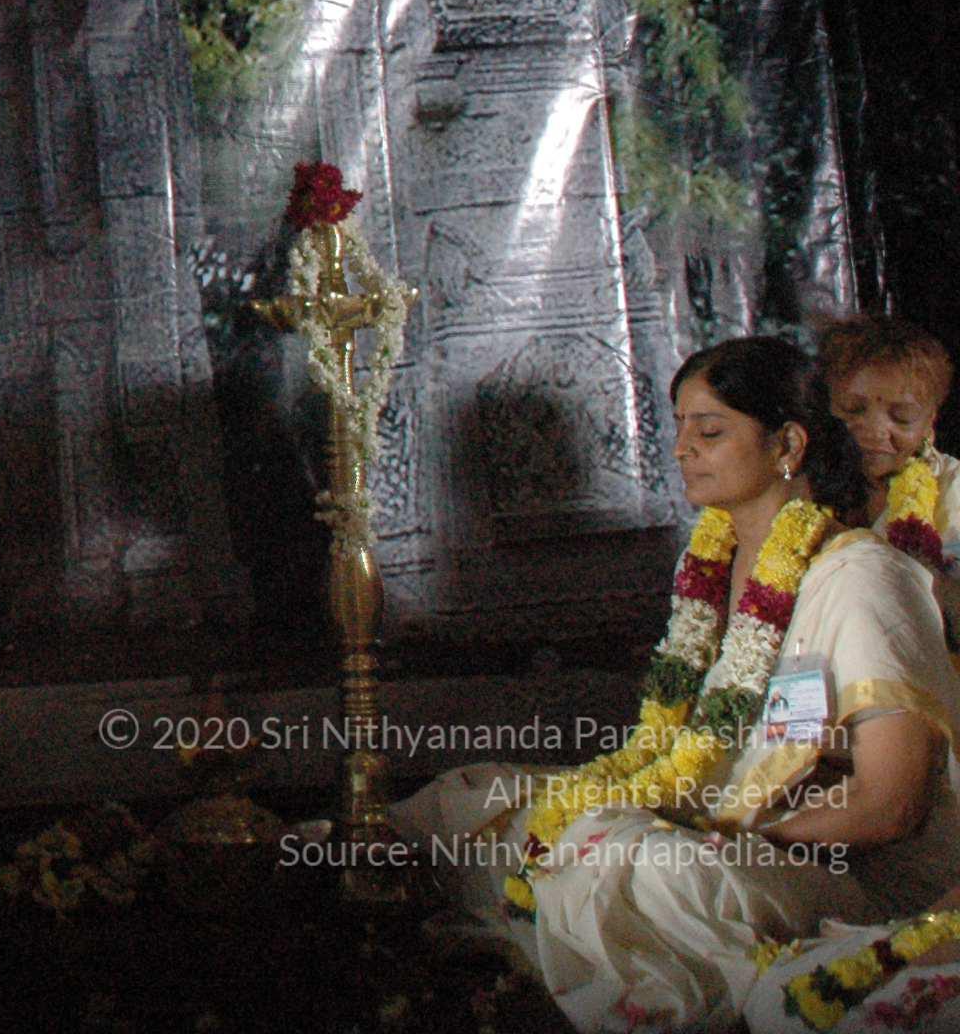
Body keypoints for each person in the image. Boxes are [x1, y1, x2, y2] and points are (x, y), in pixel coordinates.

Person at [395, 337, 960, 1033]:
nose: (682, 448)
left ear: (788, 444)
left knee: (650, 868)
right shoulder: (708, 567)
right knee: (471, 800)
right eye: (680, 427)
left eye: (710, 431)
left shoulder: (863, 576)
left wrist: (735, 831)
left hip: (845, 870)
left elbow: (891, 805)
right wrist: (690, 819)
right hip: (718, 827)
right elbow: (687, 759)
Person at [824, 315, 960, 641]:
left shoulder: (955, 488)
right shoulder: (802, 486)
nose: (875, 432)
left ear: (930, 421)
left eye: (902, 417)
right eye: (853, 409)